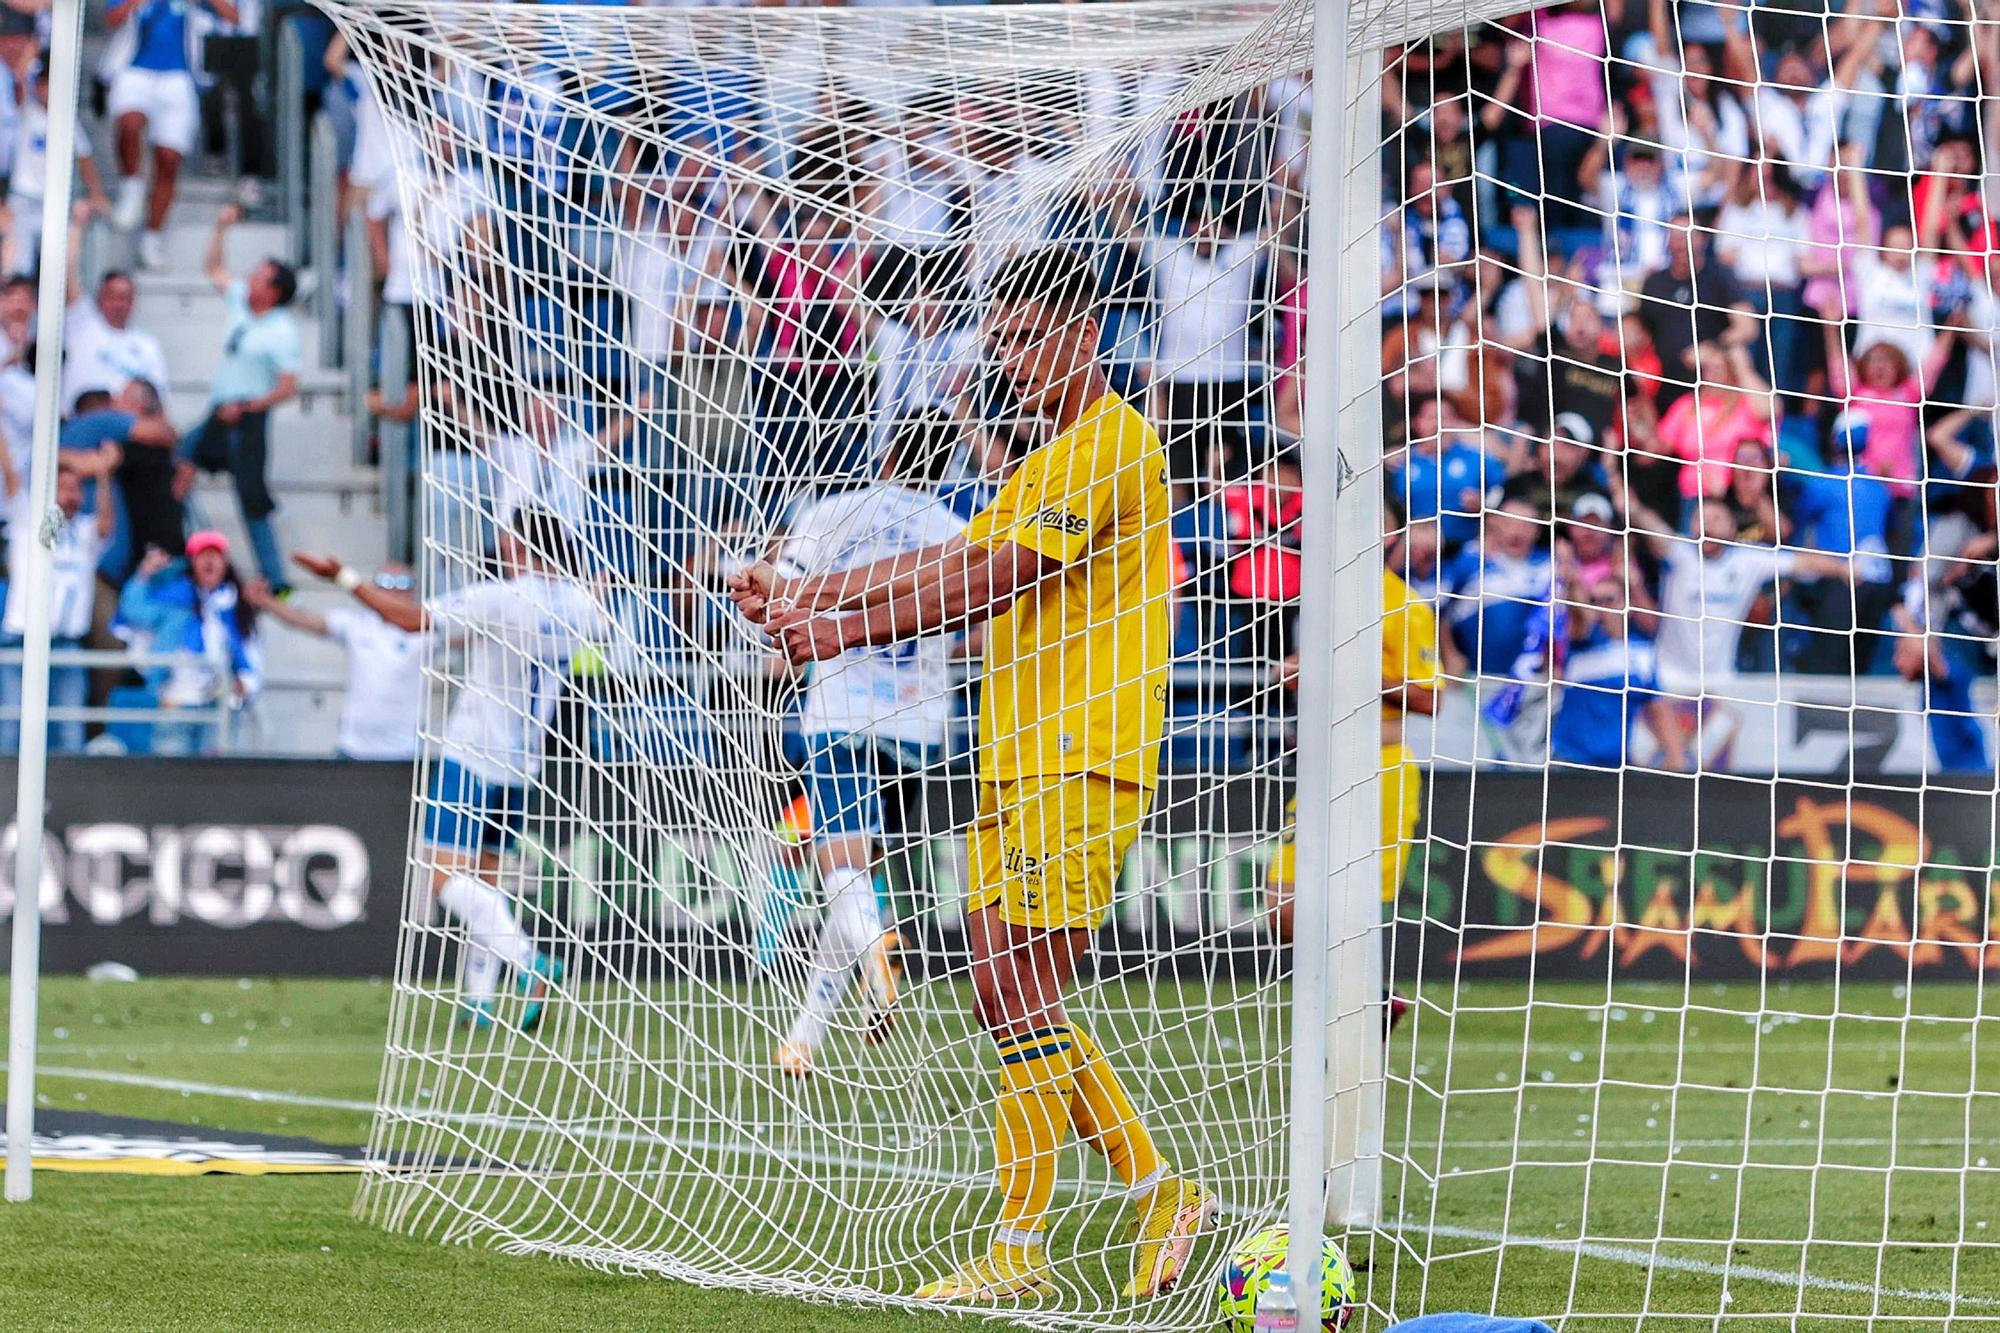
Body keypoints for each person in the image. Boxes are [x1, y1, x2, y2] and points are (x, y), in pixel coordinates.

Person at [729, 248, 1209, 1304]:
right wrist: (815, 595)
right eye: (1003, 345)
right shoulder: (1035, 467)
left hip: (1082, 755)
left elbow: (993, 579)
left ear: (1082, 334)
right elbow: (943, 566)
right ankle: (1155, 1189)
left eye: (1032, 338)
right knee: (1004, 993)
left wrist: (824, 624)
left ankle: (1021, 1246)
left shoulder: (1110, 442)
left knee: (1017, 987)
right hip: (1014, 756)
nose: (1016, 362)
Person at [289, 506, 606, 1031]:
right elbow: (598, 630)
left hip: (474, 752)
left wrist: (342, 577)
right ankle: (478, 1000)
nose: (500, 545)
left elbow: (410, 620)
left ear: (519, 546)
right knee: (487, 882)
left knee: (441, 877)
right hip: (524, 761)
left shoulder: (501, 597)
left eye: (507, 538)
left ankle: (530, 962)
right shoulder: (581, 607)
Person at [768, 413, 967, 1077]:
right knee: (858, 879)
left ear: (884, 454)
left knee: (841, 872)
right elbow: (979, 627)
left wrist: (778, 659)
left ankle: (880, 943)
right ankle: (804, 1037)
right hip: (918, 723)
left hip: (841, 714)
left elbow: (782, 599)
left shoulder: (832, 512)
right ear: (947, 466)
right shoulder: (956, 531)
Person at [1266, 504, 1440, 923]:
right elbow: (1308, 674)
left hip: (1382, 761)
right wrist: (1294, 672)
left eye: (1378, 523)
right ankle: (1352, 988)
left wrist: (1359, 671)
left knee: (1363, 909)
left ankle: (1371, 990)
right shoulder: (1323, 596)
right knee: (1282, 908)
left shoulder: (1406, 605)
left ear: (1394, 538)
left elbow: (1430, 699)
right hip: (1323, 762)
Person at [184, 203, 300, 590]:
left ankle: (276, 579)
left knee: (250, 496)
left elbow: (288, 385)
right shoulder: (240, 301)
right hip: (221, 410)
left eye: (260, 276)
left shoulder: (282, 330)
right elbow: (214, 268)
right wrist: (220, 228)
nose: (250, 278)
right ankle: (198, 550)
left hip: (247, 415)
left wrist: (249, 406)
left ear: (273, 292)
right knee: (178, 463)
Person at [104, 0, 240, 269]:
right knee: (129, 122)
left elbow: (233, 18)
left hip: (179, 76)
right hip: (135, 67)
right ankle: (131, 187)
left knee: (169, 160)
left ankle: (152, 236)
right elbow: (112, 19)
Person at [0, 450, 118, 755]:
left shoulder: (84, 532)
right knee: (12, 726)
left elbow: (106, 525)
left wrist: (103, 473)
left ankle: (68, 801)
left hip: (66, 644)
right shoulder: (28, 521)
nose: (72, 495)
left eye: (76, 488)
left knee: (70, 728)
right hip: (22, 641)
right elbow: (11, 476)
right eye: (64, 487)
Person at [244, 567, 425, 761]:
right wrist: (266, 601)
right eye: (386, 582)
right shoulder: (357, 623)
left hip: (404, 752)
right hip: (353, 749)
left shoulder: (427, 628)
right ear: (374, 588)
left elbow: (460, 632)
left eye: (403, 584)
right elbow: (304, 620)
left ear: (413, 591)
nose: (394, 590)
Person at [113, 529, 262, 754]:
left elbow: (247, 655)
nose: (210, 561)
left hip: (218, 706)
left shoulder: (235, 606)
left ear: (225, 562)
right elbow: (133, 609)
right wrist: (144, 573)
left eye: (216, 555)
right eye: (203, 555)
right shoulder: (173, 600)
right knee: (172, 776)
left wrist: (244, 682)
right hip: (177, 700)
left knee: (213, 781)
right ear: (192, 561)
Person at [5, 56, 111, 278]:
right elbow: (19, 82)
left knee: (56, 270)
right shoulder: (26, 112)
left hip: (53, 202)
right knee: (18, 266)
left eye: (52, 84)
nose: (47, 90)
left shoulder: (68, 121)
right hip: (23, 199)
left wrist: (97, 194)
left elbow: (85, 159)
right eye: (43, 84)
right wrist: (30, 52)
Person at [63, 238, 169, 410]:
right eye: (112, 296)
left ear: (134, 301)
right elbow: (66, 272)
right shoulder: (82, 323)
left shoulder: (147, 345)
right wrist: (77, 224)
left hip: (128, 429)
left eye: (124, 297)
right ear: (100, 297)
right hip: (81, 423)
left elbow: (158, 399)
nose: (118, 303)